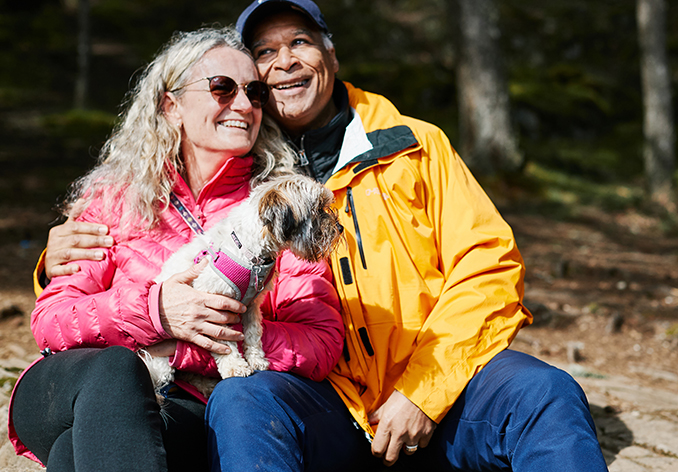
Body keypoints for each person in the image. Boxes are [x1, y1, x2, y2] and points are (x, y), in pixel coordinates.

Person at [34, 1, 609, 471]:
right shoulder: (251, 184)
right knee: (238, 403)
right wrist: (61, 262)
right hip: (322, 402)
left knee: (546, 396)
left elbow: (488, 267)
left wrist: (424, 392)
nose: (282, 63)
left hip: (441, 381)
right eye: (263, 54)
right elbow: (94, 281)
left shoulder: (414, 146)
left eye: (300, 42)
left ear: (330, 51)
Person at [9, 26, 343, 472]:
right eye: (222, 88)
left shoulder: (279, 212)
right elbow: (51, 321)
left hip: (180, 404)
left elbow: (321, 343)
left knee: (80, 451)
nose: (243, 105)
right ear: (171, 106)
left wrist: (204, 337)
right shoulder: (115, 198)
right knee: (116, 373)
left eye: (256, 92)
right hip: (70, 386)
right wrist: (155, 312)